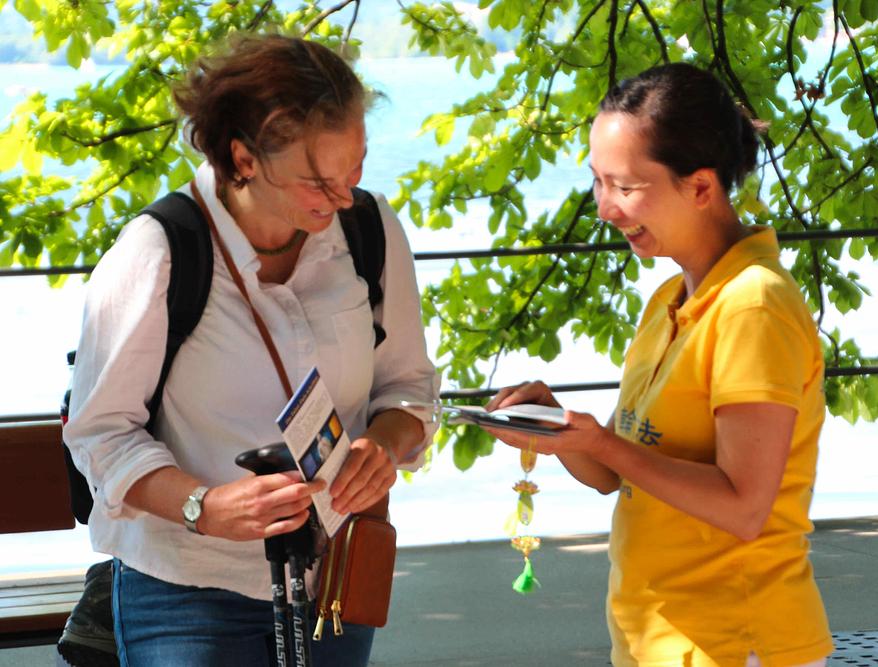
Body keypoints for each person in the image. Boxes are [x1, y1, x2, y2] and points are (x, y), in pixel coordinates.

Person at [63, 34, 439, 666]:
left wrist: (387, 443)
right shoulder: (157, 252)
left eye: (357, 168)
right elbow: (100, 434)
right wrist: (201, 506)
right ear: (242, 159)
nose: (345, 196)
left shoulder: (370, 230)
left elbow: (408, 386)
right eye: (318, 181)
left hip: (333, 582)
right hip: (186, 589)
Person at [485, 63, 833, 667]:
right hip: (656, 639)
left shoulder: (753, 304)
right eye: (597, 181)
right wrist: (560, 429)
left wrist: (606, 444)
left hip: (735, 640)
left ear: (701, 187)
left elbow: (743, 506)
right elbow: (614, 474)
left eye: (623, 186)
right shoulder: (669, 300)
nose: (604, 208)